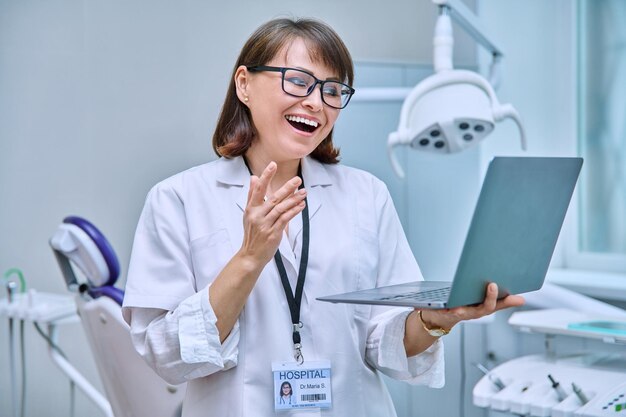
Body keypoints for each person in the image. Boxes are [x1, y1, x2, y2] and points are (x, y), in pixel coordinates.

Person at [122, 17, 525, 417]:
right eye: (297, 81)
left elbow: (381, 339)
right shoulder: (178, 199)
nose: (316, 102)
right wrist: (248, 259)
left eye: (332, 90)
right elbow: (166, 355)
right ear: (244, 84)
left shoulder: (367, 195)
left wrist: (435, 320)